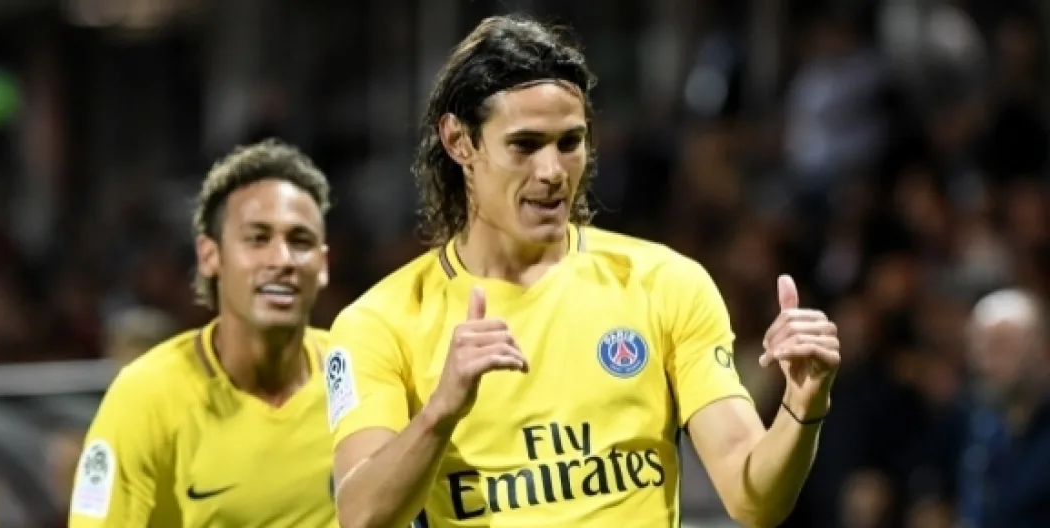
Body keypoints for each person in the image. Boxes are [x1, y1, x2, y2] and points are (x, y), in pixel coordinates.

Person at [326, 15, 842, 528]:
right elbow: (362, 516)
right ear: (460, 141)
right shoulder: (380, 322)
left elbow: (753, 499)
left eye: (569, 142)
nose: (552, 171)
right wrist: (441, 410)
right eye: (525, 145)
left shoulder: (664, 283)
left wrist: (802, 405)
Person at [68, 138, 336, 527]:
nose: (281, 259)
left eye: (300, 241)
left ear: (323, 264)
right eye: (258, 238)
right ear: (210, 256)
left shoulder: (360, 378)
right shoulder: (146, 397)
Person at [916, 289, 1050, 527]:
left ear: (1042, 350)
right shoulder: (972, 421)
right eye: (977, 347)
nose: (984, 361)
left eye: (1000, 346)